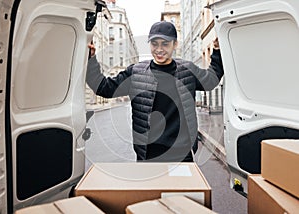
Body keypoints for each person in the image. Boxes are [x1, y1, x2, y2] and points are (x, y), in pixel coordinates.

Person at [86, 21, 224, 162]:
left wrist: (217, 50)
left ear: (175, 44)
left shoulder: (188, 70)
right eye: (154, 44)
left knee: (182, 185)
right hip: (148, 154)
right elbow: (104, 88)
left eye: (165, 44)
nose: (159, 49)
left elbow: (211, 81)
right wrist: (90, 59)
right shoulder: (136, 73)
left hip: (182, 153)